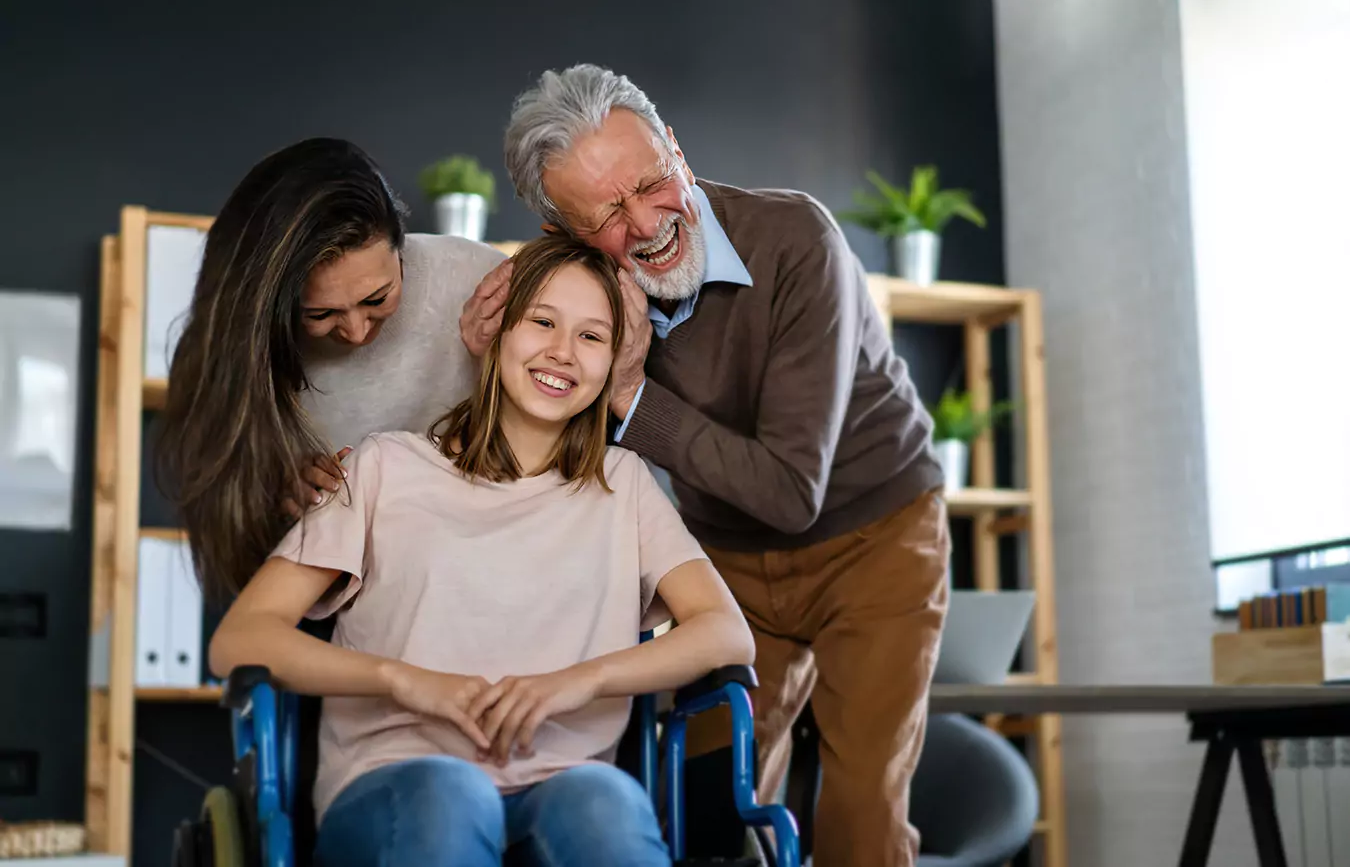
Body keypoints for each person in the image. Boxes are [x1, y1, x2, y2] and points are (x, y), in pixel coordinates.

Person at [461, 65, 950, 867]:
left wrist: (627, 392)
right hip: (724, 552)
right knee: (709, 799)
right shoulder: (576, 286)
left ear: (677, 151)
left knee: (861, 808)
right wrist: (496, 357)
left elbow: (792, 492)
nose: (648, 222)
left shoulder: (797, 240)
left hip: (877, 532)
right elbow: (527, 430)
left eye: (653, 182)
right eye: (609, 214)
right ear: (568, 231)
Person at [208, 234, 755, 866]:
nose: (562, 353)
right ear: (495, 331)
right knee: (452, 792)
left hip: (561, 784)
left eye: (592, 336)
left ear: (612, 364)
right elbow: (241, 638)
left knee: (605, 801)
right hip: (398, 787)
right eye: (543, 322)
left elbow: (725, 633)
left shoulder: (624, 484)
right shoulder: (384, 466)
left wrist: (577, 683)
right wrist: (406, 683)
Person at [157, 137, 504, 601]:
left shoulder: (478, 281)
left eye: (378, 299)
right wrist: (280, 494)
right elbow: (241, 542)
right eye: (320, 315)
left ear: (400, 245)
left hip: (480, 584)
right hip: (338, 606)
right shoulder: (237, 356)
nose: (357, 332)